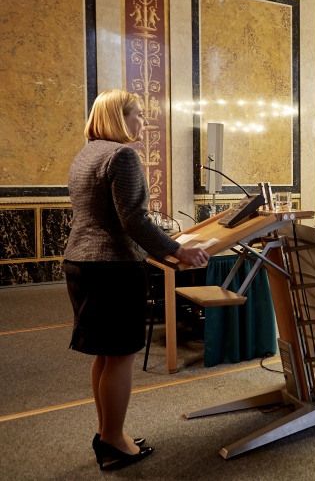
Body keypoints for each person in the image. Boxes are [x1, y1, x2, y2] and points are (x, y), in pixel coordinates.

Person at [64, 90, 209, 470]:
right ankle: (113, 440)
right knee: (120, 356)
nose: (143, 121)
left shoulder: (86, 154)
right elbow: (133, 219)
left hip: (81, 263)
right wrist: (178, 252)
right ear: (119, 117)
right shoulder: (121, 155)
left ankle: (107, 432)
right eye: (138, 114)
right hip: (112, 266)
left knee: (106, 354)